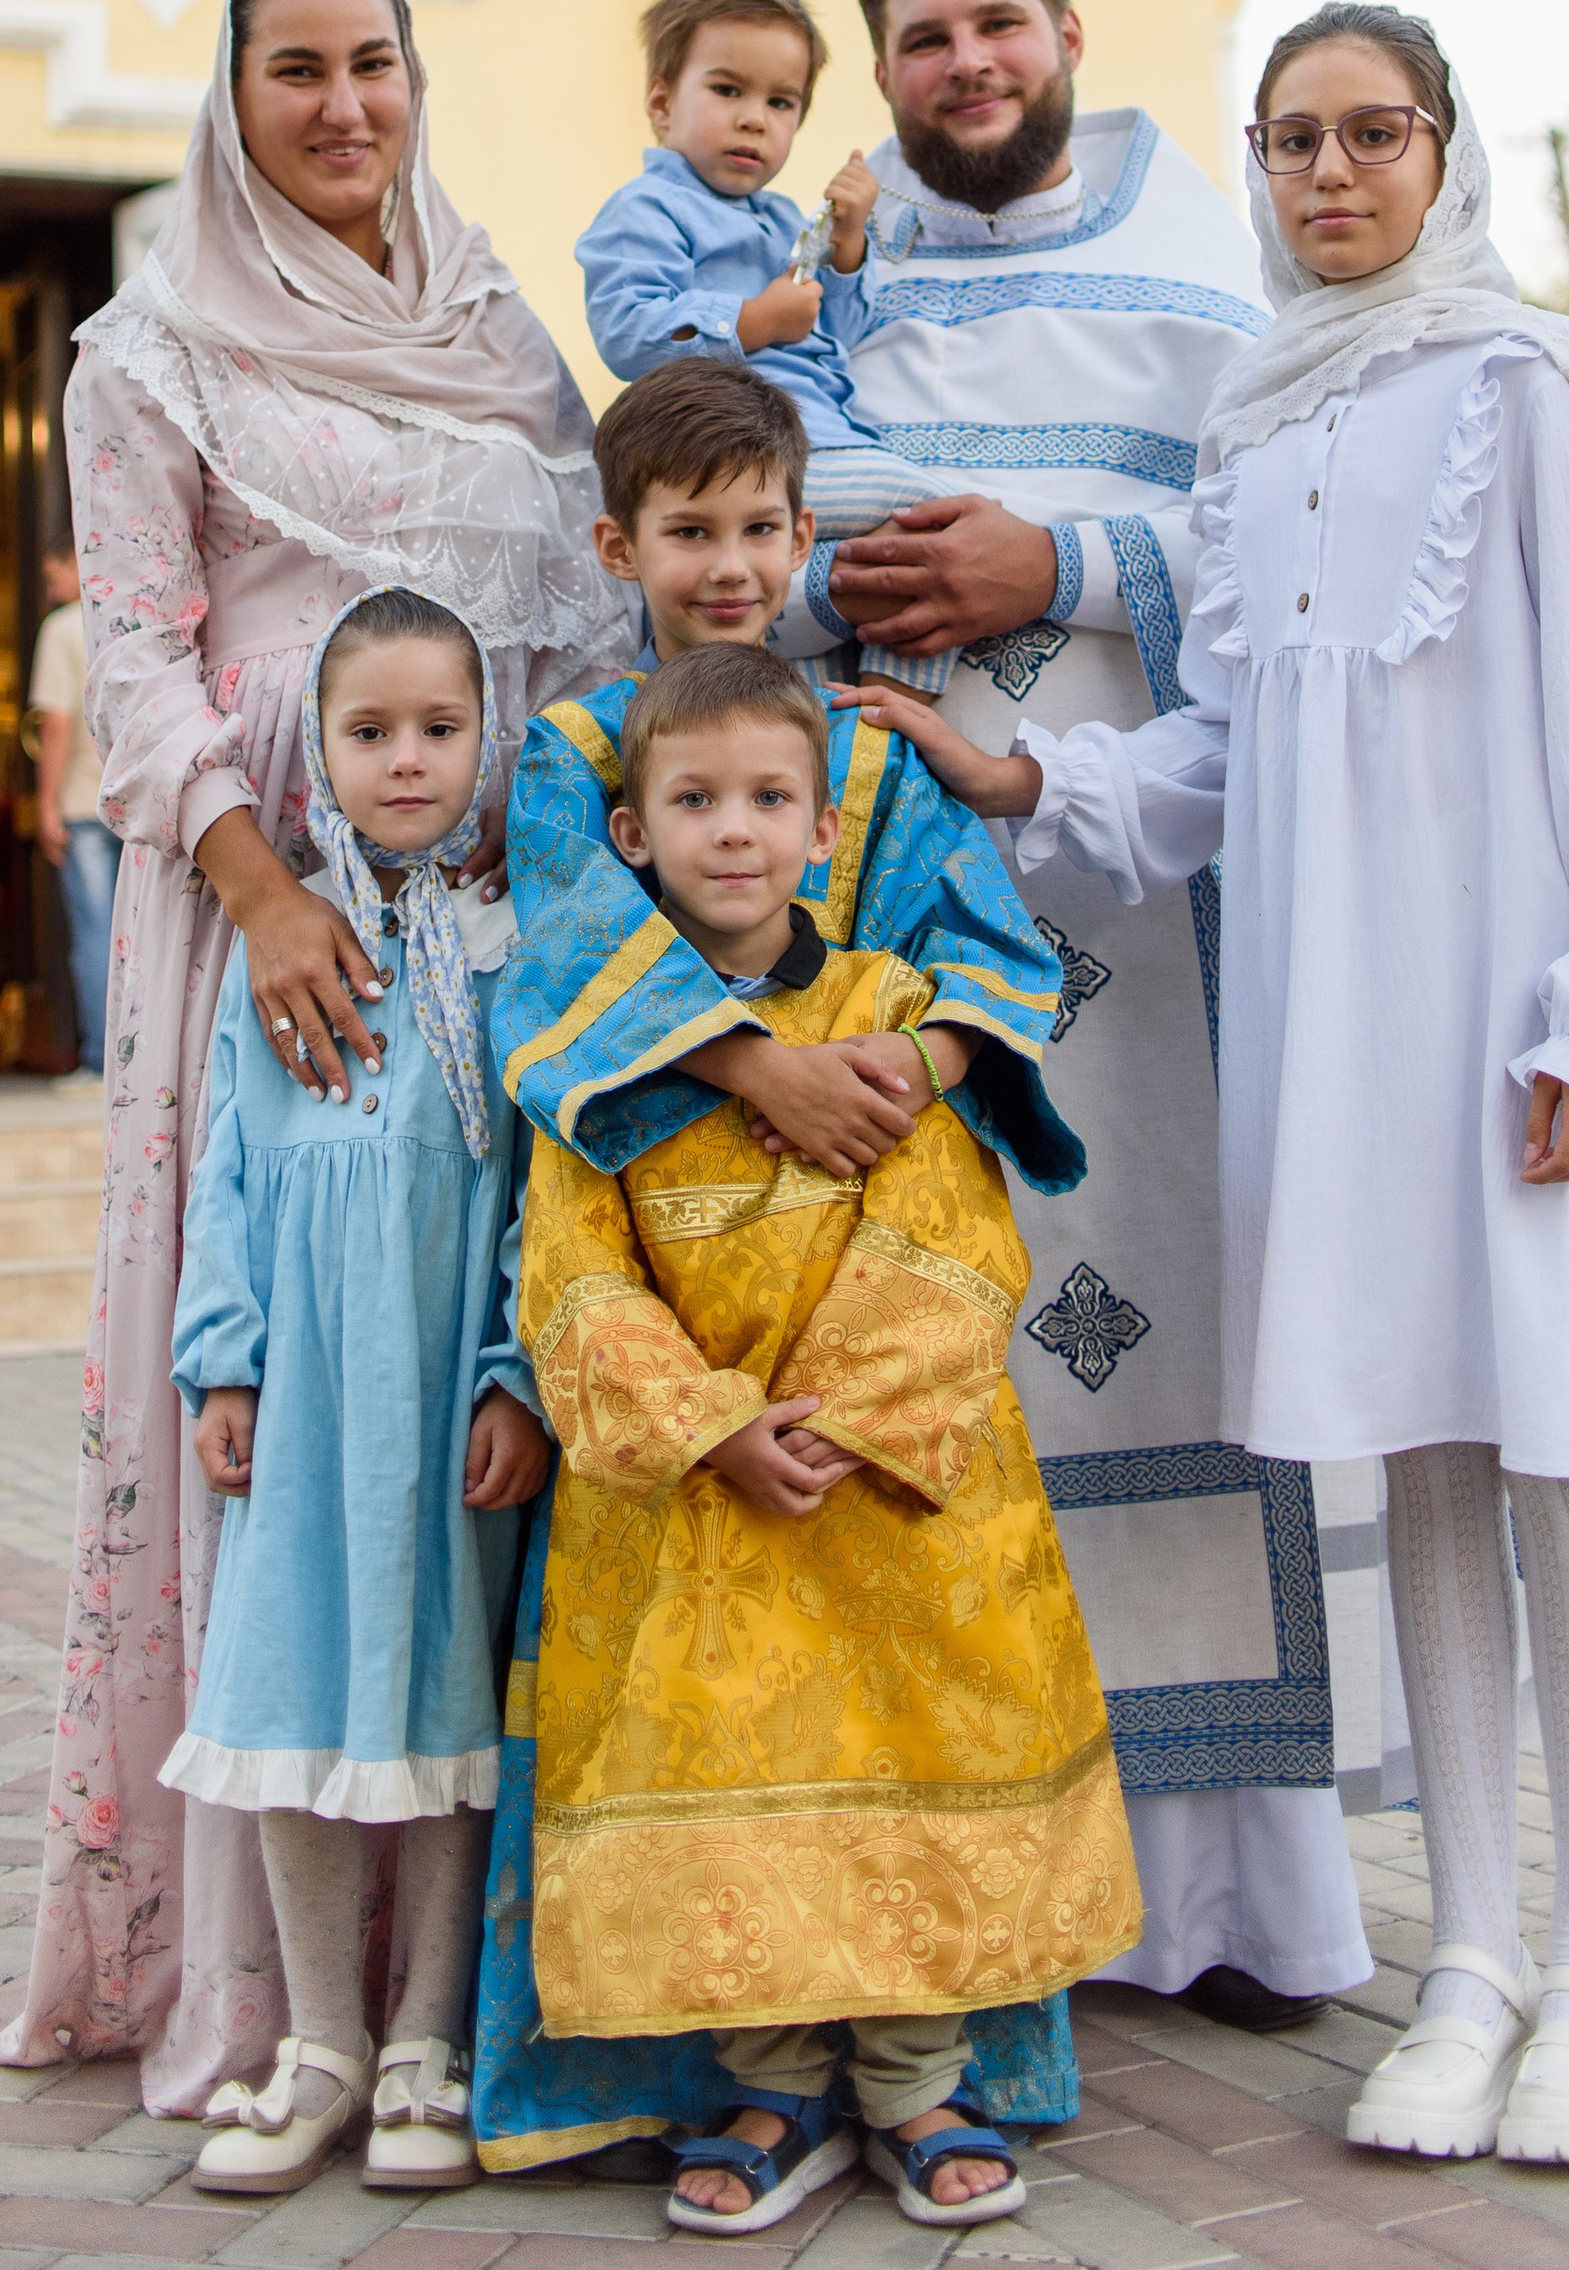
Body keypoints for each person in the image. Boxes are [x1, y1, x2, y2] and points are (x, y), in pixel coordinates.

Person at [864, 4, 1569, 2172]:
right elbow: (1224, 757)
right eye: (1290, 140)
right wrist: (1028, 770)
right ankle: (1464, 1965)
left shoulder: (1516, 384)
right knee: (1424, 1467)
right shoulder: (1252, 431)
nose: (1328, 174)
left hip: (1520, 1007)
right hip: (1335, 1022)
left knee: (1561, 1462)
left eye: (1370, 135)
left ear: (1444, 153)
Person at [0, 0, 625, 2116]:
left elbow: (596, 597)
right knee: (269, 1406)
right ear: (231, 99)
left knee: (469, 1410)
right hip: (271, 946)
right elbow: (144, 657)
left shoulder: (495, 332)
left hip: (487, 935)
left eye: (373, 64)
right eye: (293, 71)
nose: (342, 106)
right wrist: (257, 885)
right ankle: (283, 1993)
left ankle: (464, 1992)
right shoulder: (150, 353)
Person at [788, 0, 1371, 2024]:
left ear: (1064, 36)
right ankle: (1000, 1896)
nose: (963, 61)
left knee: (1169, 1341)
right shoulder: (846, 290)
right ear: (886, 74)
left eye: (993, 23)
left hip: (1154, 889)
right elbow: (739, 514)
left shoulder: (1209, 264)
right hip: (907, 903)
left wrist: (1064, 559)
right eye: (921, 36)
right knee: (970, 1364)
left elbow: (1310, 533)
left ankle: (1230, 1904)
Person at [475, 360, 1080, 2179]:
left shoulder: (880, 756)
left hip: (882, 1290)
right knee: (702, 1734)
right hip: (680, 1279)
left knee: (909, 1721)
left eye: (759, 528)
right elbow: (564, 976)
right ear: (622, 544)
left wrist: (911, 1070)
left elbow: (987, 961)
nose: (728, 564)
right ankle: (743, 2079)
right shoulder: (581, 755)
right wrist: (757, 1067)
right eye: (690, 531)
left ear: (800, 531)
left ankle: (922, 2078)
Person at [166, 590, 551, 2202]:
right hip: (313, 1394)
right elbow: (230, 1165)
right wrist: (226, 1353)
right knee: (291, 1685)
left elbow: (548, 1184)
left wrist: (518, 1372)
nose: (407, 759)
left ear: (488, 740)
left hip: (449, 1385)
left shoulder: (520, 948)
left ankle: (425, 2044)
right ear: (317, 749)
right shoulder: (287, 945)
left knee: (448, 1706)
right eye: (370, 729)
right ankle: (319, 2038)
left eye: (439, 727)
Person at [574, 0, 963, 689]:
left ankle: (839, 724)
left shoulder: (786, 221)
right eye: (728, 90)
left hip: (819, 445)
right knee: (938, 519)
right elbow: (627, 330)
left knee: (810, 637)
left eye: (782, 102)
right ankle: (889, 709)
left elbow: (834, 336)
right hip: (736, 457)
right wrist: (747, 321)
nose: (756, 117)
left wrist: (847, 245)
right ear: (661, 102)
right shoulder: (648, 209)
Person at [29, 539, 118, 1077]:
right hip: (139, 803)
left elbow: (56, 722)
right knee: (144, 929)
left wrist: (46, 804)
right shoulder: (131, 615)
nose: (50, 584)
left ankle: (100, 1060)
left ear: (78, 561)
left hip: (84, 802)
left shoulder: (64, 627)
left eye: (53, 570)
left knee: (95, 935)